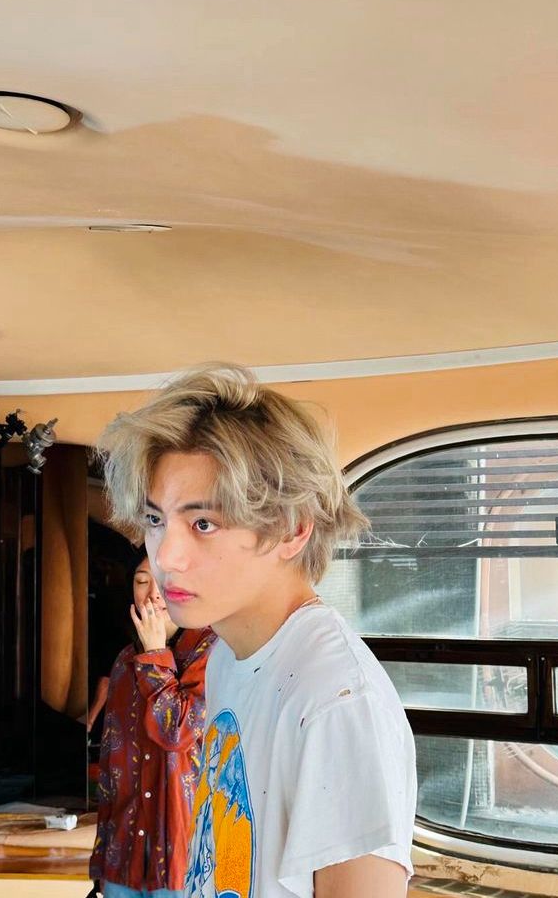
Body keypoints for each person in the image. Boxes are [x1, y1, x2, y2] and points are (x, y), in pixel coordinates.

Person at [96, 364, 417, 898]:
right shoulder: (227, 655)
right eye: (156, 520)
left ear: (291, 529)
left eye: (203, 524)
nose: (166, 556)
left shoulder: (336, 704)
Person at [89, 553, 215, 898]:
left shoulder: (211, 652)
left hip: (183, 861)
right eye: (142, 581)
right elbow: (111, 771)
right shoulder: (124, 660)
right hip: (122, 860)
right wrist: (101, 861)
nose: (154, 594)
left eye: (163, 580)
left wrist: (156, 653)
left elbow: (177, 733)